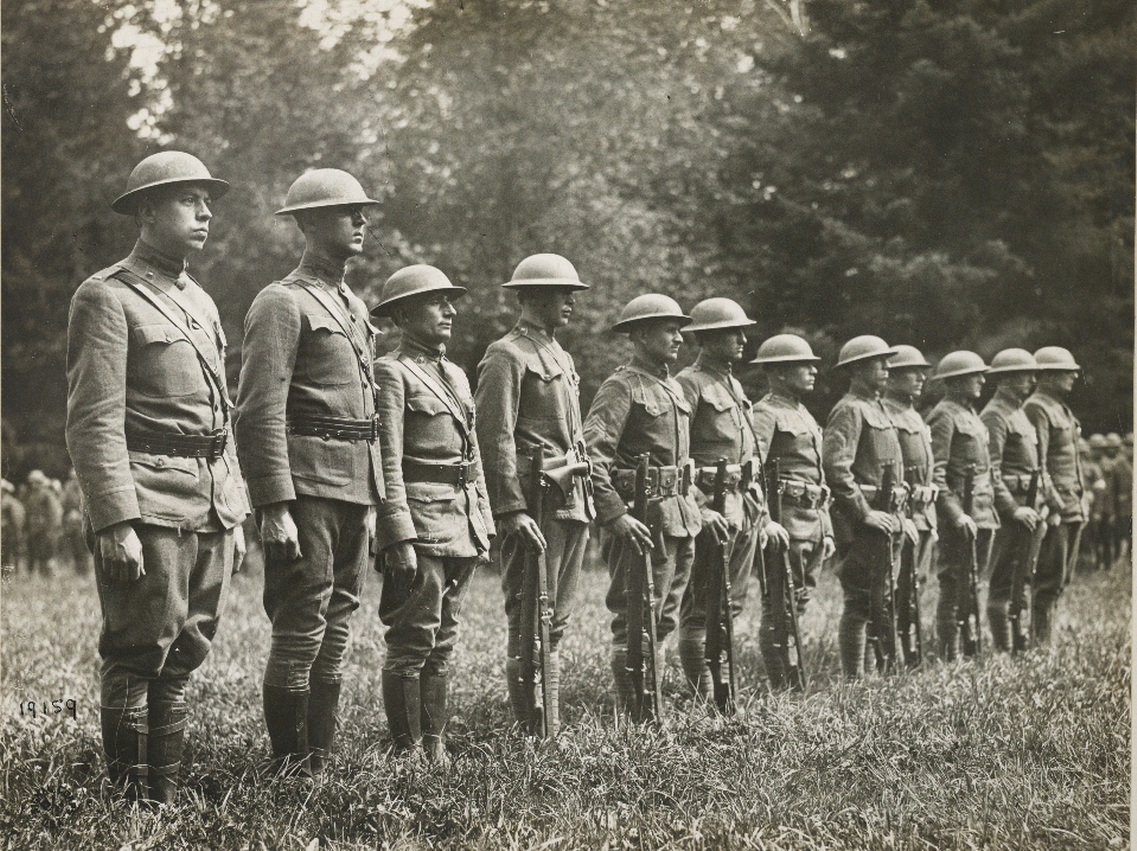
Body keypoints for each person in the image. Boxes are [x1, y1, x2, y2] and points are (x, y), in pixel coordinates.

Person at [65, 151, 249, 804]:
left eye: (207, 201)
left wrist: (235, 504)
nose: (204, 213)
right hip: (147, 499)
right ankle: (129, 805)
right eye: (186, 200)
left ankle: (163, 795)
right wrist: (114, 520)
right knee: (139, 651)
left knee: (186, 651)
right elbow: (92, 420)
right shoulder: (107, 295)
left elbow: (221, 416)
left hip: (206, 501)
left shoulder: (198, 299)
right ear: (145, 211)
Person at [235, 169, 383, 776]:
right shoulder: (281, 301)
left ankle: (317, 761)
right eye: (347, 212)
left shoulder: (352, 305)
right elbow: (258, 409)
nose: (362, 221)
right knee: (302, 623)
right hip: (306, 487)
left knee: (340, 620)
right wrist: (274, 505)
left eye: (362, 212)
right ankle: (289, 766)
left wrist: (373, 496)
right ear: (310, 223)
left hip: (353, 485)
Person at [372, 264, 494, 764]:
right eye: (435, 301)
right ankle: (406, 753)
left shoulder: (457, 374)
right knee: (411, 638)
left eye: (451, 300)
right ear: (402, 314)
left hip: (459, 519)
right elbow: (387, 458)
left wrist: (483, 518)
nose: (450, 310)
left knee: (444, 637)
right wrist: (397, 533)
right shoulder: (391, 371)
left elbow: (474, 456)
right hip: (420, 523)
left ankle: (435, 747)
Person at [474, 254, 593, 735]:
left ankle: (550, 728)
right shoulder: (507, 354)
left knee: (555, 622)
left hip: (569, 500)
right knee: (529, 618)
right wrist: (509, 509)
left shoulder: (559, 356)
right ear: (532, 297)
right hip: (535, 503)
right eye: (561, 293)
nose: (569, 302)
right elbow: (494, 436)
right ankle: (532, 733)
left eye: (570, 294)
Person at [583, 294, 702, 718]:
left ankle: (652, 714)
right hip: (643, 521)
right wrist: (615, 515)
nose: (679, 337)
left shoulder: (672, 387)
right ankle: (638, 719)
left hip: (679, 518)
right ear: (640, 334)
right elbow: (592, 457)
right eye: (669, 329)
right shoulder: (621, 386)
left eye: (679, 328)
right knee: (635, 620)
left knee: (664, 621)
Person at [673, 299, 787, 700]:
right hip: (713, 507)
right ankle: (703, 695)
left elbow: (750, 456)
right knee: (702, 606)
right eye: (731, 333)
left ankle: (723, 692)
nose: (742, 339)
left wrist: (766, 515)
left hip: (743, 507)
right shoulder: (688, 384)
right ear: (706, 338)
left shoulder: (733, 386)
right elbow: (676, 455)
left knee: (730, 604)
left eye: (741, 331)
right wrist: (699, 509)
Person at [822, 335, 913, 679]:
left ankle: (883, 671)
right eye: (879, 362)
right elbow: (835, 466)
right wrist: (864, 512)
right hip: (867, 523)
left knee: (883, 597)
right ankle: (854, 677)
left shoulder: (879, 408)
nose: (888, 368)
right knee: (860, 601)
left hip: (890, 518)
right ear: (858, 368)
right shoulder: (850, 409)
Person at [750, 334, 835, 687]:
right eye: (804, 365)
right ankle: (783, 685)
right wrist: (764, 520)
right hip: (784, 523)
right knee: (779, 607)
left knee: (797, 603)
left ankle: (793, 681)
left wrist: (826, 527)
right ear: (780, 373)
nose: (813, 371)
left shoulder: (802, 412)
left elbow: (819, 476)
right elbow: (751, 471)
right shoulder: (765, 414)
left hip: (812, 521)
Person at [926, 351, 1004, 660]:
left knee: (973, 584)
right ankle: (951, 653)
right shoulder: (943, 416)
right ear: (956, 381)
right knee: (955, 583)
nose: (982, 381)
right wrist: (955, 515)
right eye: (976, 376)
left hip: (983, 513)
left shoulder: (972, 414)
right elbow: (937, 472)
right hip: (961, 514)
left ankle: (970, 648)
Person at [979, 349, 1045, 651]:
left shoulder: (1018, 413)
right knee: (1004, 583)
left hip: (1030, 508)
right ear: (1005, 380)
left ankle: (1021, 644)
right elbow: (990, 470)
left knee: (1024, 578)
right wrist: (1012, 508)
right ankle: (1004, 650)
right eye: (1025, 375)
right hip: (1011, 512)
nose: (1032, 380)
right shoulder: (994, 415)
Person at [1024, 346, 1085, 642]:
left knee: (1062, 578)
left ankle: (1047, 639)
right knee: (1048, 579)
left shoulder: (1061, 407)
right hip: (1057, 506)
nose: (1074, 376)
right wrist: (1053, 503)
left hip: (1073, 503)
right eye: (1065, 372)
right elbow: (1038, 463)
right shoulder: (1037, 407)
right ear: (1046, 376)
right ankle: (1040, 643)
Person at [881, 345, 937, 664]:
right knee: (895, 587)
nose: (920, 377)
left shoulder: (913, 414)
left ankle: (910, 650)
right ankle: (891, 656)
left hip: (924, 513)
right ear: (891, 378)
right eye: (910, 372)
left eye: (922, 371)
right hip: (904, 515)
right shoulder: (886, 413)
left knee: (917, 586)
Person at [24, 469, 62, 576]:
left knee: (47, 555)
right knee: (38, 554)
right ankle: (42, 576)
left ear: (39, 482)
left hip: (46, 529)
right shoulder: (32, 495)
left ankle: (49, 577)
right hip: (35, 529)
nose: (32, 485)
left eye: (34, 482)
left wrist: (51, 529)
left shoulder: (47, 495)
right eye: (31, 482)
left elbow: (53, 513)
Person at [61, 468, 92, 574]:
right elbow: (63, 503)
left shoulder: (84, 487)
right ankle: (78, 571)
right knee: (74, 547)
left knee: (82, 548)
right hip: (71, 521)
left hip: (82, 520)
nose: (74, 480)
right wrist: (69, 512)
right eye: (72, 478)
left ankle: (84, 572)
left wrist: (80, 514)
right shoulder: (67, 488)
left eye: (76, 478)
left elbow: (89, 504)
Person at [1, 478, 26, 574]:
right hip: (5, 532)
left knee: (9, 553)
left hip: (9, 532)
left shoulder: (10, 503)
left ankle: (9, 574)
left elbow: (17, 519)